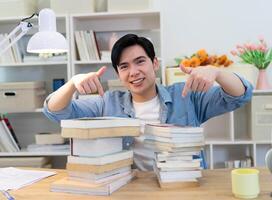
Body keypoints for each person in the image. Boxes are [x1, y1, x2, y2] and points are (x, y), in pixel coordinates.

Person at [43, 34, 253, 170]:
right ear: (118, 74)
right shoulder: (107, 103)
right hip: (131, 188)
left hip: (182, 186)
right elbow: (56, 112)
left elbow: (240, 95)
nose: (133, 72)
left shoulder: (186, 95)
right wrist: (72, 84)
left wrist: (218, 72)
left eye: (140, 61)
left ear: (154, 63)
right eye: (124, 67)